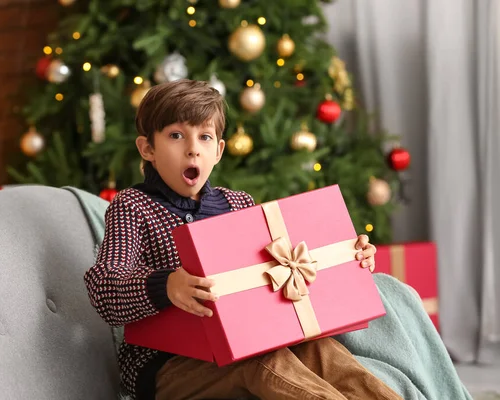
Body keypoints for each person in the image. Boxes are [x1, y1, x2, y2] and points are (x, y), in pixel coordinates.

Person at [84, 79, 400, 400]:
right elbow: (105, 286)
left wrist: (350, 256)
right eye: (176, 135)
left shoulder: (238, 203)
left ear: (219, 151)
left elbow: (280, 270)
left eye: (205, 137)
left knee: (323, 351)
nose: (193, 148)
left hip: (250, 339)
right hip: (167, 366)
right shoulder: (132, 206)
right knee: (261, 362)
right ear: (147, 148)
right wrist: (165, 285)